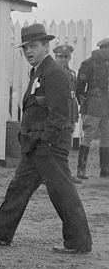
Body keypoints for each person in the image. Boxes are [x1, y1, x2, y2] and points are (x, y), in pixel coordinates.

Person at [0, 24, 91, 254]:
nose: (28, 51)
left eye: (33, 46)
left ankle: (79, 243)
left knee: (63, 194)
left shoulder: (54, 73)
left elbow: (61, 115)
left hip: (48, 147)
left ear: (45, 46)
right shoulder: (39, 71)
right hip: (35, 145)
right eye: (25, 48)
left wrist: (47, 142)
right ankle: (0, 233)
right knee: (18, 188)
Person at [75, 37, 109, 180]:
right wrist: (81, 99)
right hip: (94, 103)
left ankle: (105, 169)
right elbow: (80, 84)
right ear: (103, 49)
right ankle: (81, 169)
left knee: (106, 135)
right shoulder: (89, 64)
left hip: (106, 104)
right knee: (88, 135)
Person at [53, 44, 81, 182]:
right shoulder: (52, 73)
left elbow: (73, 94)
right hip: (58, 114)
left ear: (70, 57)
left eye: (66, 57)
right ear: (55, 57)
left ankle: (64, 174)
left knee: (65, 147)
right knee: (55, 146)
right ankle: (52, 175)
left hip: (70, 113)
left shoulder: (71, 73)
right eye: (60, 57)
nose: (63, 59)